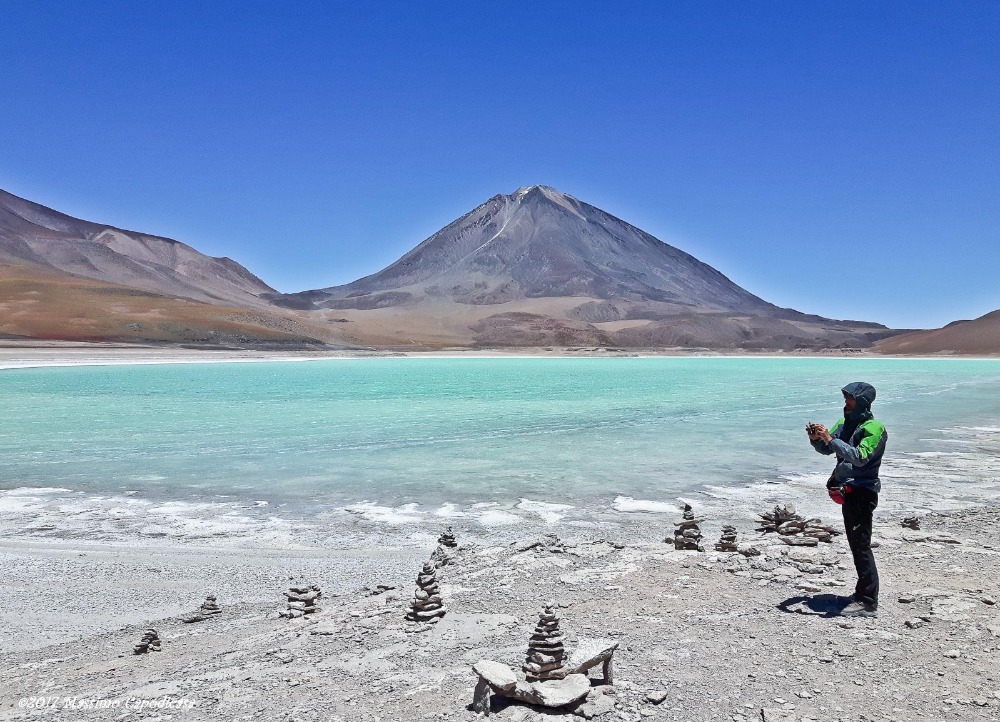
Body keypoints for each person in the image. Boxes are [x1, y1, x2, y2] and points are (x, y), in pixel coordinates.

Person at [806, 382, 887, 617]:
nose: (846, 403)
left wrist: (830, 439)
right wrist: (817, 439)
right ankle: (863, 593)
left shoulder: (874, 428)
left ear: (862, 401)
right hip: (847, 491)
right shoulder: (845, 423)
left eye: (850, 399)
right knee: (855, 544)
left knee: (861, 546)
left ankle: (868, 600)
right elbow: (828, 450)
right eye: (845, 398)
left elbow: (860, 457)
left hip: (863, 492)